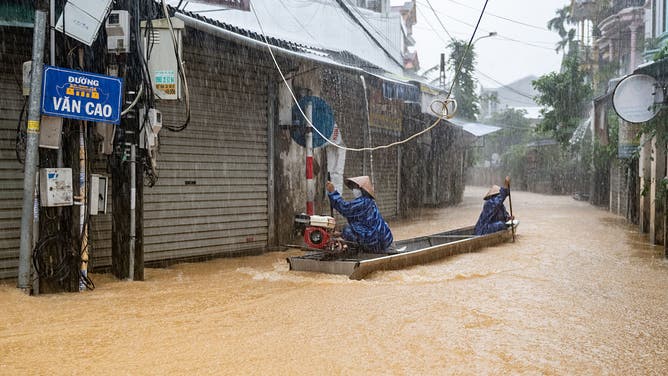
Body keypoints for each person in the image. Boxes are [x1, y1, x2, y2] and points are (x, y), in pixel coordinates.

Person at [325, 176, 394, 253]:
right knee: (347, 230)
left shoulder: (363, 202)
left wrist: (333, 192)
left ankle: (358, 251)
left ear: (362, 189)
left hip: (375, 242)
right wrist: (341, 234)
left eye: (356, 187)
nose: (354, 190)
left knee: (347, 230)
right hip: (383, 239)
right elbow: (362, 226)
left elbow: (344, 208)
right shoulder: (369, 202)